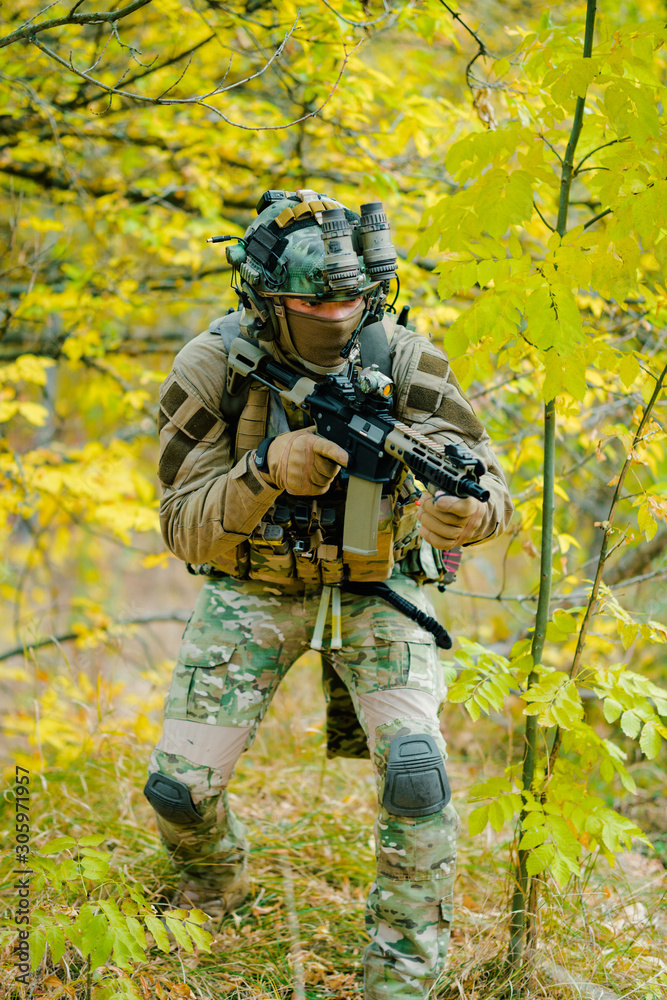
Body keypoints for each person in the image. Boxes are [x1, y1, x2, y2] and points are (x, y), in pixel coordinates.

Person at [144, 189, 514, 999]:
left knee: (417, 777)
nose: (334, 315)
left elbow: (489, 482)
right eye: (313, 300)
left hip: (379, 584)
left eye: (348, 299)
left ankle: (401, 978)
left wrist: (468, 514)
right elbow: (181, 526)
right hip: (254, 584)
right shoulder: (214, 365)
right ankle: (218, 888)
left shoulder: (405, 358)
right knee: (179, 790)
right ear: (267, 296)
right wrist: (263, 472)